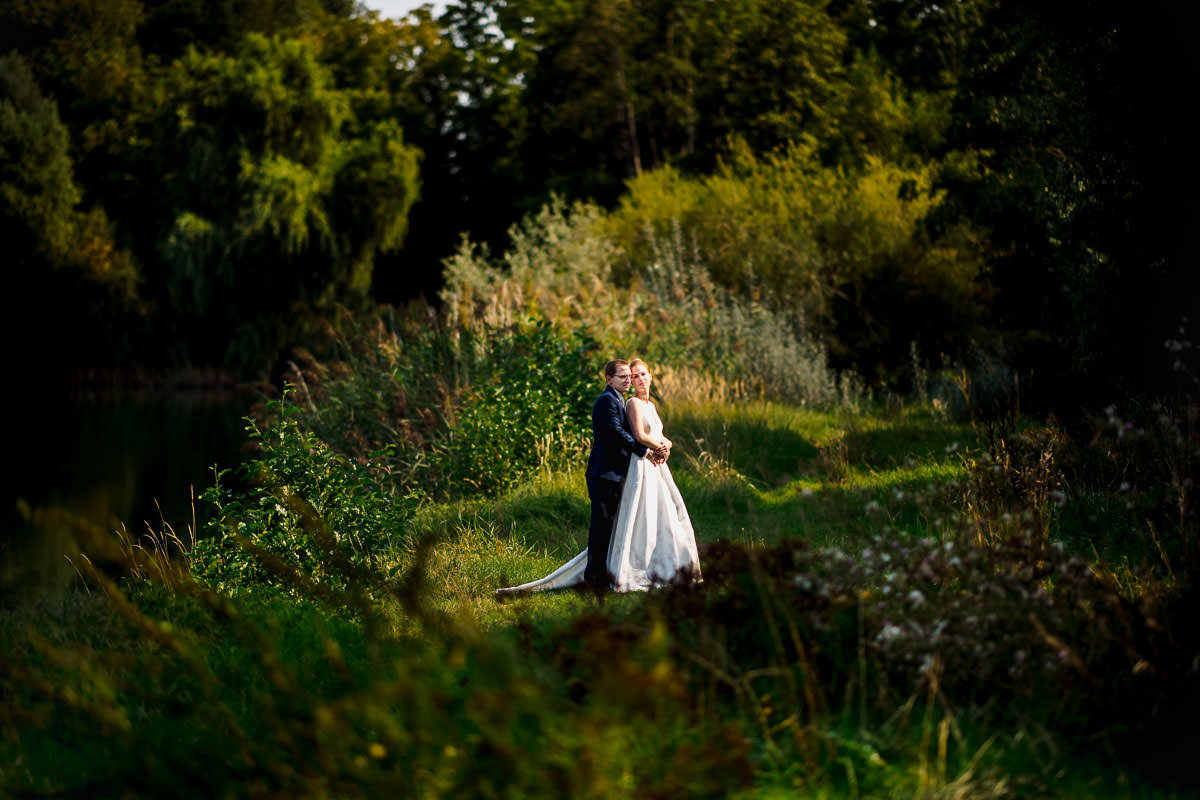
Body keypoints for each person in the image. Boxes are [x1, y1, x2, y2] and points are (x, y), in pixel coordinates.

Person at [496, 358, 701, 596]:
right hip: (604, 475)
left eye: (631, 376)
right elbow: (617, 433)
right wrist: (646, 451)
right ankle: (594, 579)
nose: (629, 380)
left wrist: (663, 447)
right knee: (601, 531)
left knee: (614, 528)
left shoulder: (620, 400)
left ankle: (605, 573)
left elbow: (643, 434)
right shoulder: (607, 401)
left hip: (619, 473)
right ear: (609, 379)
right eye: (625, 376)